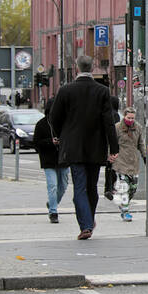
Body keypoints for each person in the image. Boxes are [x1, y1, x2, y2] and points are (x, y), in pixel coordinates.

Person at [49, 54, 118, 240]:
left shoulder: (65, 90)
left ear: (77, 68)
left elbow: (53, 117)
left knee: (79, 187)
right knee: (92, 187)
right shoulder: (102, 91)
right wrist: (114, 147)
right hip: (96, 146)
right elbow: (108, 122)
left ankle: (86, 225)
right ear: (92, 68)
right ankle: (89, 219)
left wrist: (59, 134)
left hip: (73, 146)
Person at [34, 98, 69, 224]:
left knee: (63, 186)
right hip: (48, 160)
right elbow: (36, 143)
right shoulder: (41, 124)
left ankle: (52, 203)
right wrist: (50, 142)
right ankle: (53, 212)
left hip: (63, 159)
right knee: (53, 186)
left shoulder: (65, 123)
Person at [110, 107, 146, 221]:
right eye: (128, 117)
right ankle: (125, 211)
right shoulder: (117, 128)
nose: (130, 120)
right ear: (124, 116)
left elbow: (141, 143)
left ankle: (124, 203)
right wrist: (110, 156)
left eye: (132, 118)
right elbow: (111, 142)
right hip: (120, 161)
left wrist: (145, 156)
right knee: (124, 187)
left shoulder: (138, 127)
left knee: (133, 188)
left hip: (133, 161)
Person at [103, 93, 121, 200]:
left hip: (106, 143)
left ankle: (107, 188)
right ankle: (110, 188)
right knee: (113, 167)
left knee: (109, 168)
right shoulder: (115, 115)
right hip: (112, 144)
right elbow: (115, 131)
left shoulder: (106, 113)